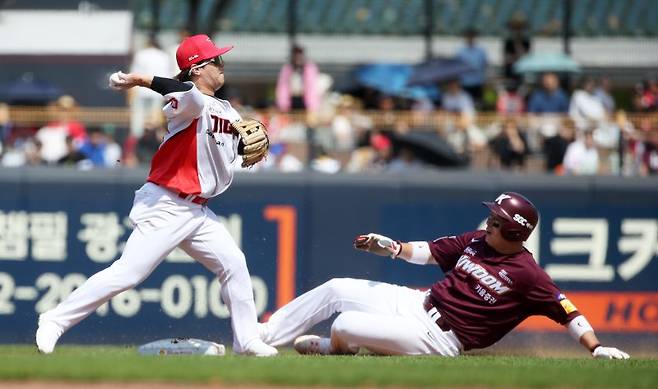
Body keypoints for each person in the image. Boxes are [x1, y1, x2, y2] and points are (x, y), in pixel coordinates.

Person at [35, 34, 277, 357]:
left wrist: (253, 148)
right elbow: (184, 92)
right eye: (216, 60)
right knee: (127, 273)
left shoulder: (228, 110)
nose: (222, 64)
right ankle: (54, 320)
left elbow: (236, 148)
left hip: (197, 212)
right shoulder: (191, 102)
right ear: (198, 68)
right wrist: (140, 79)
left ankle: (246, 341)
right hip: (166, 203)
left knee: (234, 263)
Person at [258, 192, 630, 360]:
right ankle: (265, 339)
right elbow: (431, 252)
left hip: (440, 338)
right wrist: (392, 247)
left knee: (346, 324)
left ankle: (334, 349)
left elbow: (568, 312)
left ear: (515, 233)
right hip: (418, 302)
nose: (489, 223)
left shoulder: (529, 275)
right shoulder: (479, 241)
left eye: (497, 221)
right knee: (337, 287)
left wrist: (596, 348)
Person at [275, 44, 321, 113]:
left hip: (305, 100)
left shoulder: (310, 69)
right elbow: (282, 87)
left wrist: (313, 105)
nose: (298, 58)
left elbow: (313, 87)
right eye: (295, 56)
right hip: (291, 100)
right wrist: (283, 103)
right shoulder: (287, 69)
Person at [456, 28, 488, 105]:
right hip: (464, 83)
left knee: (478, 104)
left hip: (478, 82)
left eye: (471, 36)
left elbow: (485, 66)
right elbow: (457, 68)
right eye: (468, 36)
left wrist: (485, 80)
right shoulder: (460, 52)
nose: (470, 38)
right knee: (465, 104)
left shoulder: (481, 51)